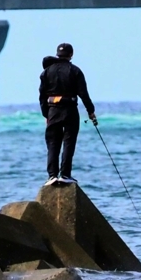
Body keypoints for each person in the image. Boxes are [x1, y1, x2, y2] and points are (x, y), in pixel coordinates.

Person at [39, 43, 96, 186]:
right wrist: (91, 111)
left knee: (53, 143)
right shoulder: (75, 71)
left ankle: (52, 176)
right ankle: (65, 174)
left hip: (52, 109)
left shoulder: (46, 72)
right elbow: (83, 94)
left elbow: (41, 96)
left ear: (57, 54)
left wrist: (46, 115)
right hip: (70, 109)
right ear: (71, 55)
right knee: (69, 142)